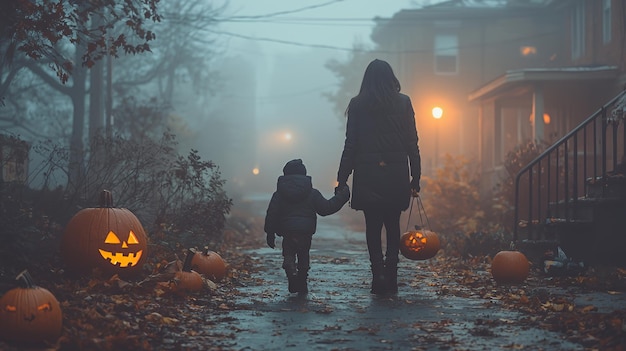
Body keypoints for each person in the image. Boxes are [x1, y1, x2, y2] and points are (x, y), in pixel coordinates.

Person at [336, 59, 421, 295]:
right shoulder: (404, 102)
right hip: (396, 173)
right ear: (391, 77)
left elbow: (350, 144)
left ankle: (378, 276)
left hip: (368, 173)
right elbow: (412, 142)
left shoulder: (357, 104)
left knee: (372, 225)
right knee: (393, 224)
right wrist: (416, 176)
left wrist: (342, 177)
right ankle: (391, 276)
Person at [265, 158, 350, 294]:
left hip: (288, 231)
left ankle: (290, 269)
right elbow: (326, 208)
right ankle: (302, 282)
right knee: (304, 255)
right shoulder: (312, 193)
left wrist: (270, 233)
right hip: (305, 231)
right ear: (304, 175)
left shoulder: (279, 194)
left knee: (289, 253)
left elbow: (272, 213)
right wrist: (343, 197)